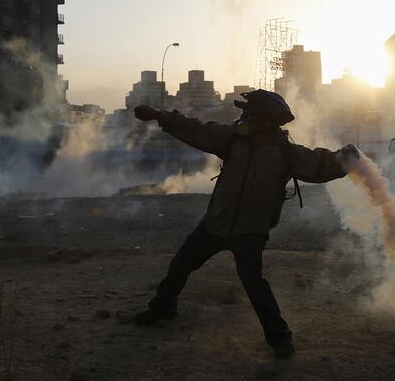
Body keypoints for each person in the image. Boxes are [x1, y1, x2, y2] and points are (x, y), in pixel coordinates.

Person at [132, 89, 358, 359]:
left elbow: (318, 165)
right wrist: (159, 116)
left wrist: (343, 159)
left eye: (249, 114)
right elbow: (196, 130)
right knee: (181, 263)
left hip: (250, 232)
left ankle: (280, 338)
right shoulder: (232, 140)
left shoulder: (285, 154)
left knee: (253, 283)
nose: (242, 118)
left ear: (266, 121)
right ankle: (163, 308)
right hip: (216, 223)